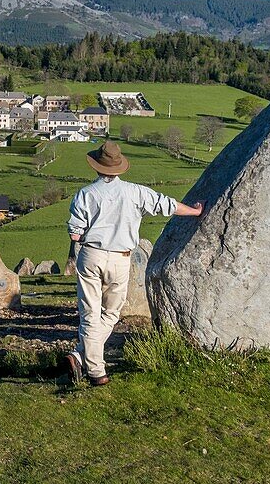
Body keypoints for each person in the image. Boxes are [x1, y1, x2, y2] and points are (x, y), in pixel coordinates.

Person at [66, 140, 203, 386]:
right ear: (119, 168)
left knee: (89, 313)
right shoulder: (136, 192)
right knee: (111, 313)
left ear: (97, 167)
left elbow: (75, 234)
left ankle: (80, 355)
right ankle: (95, 370)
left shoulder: (85, 194)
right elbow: (167, 205)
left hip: (91, 255)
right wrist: (194, 212)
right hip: (120, 258)